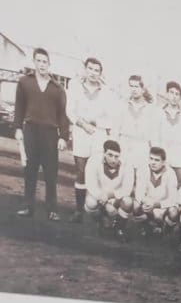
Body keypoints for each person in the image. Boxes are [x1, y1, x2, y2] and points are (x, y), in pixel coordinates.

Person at [14, 47, 70, 222]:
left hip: (50, 134)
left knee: (51, 173)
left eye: (45, 61)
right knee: (30, 170)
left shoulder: (57, 88)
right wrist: (18, 128)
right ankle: (27, 206)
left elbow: (63, 115)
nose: (42, 64)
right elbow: (19, 107)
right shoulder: (24, 82)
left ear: (49, 64)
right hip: (30, 131)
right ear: (34, 62)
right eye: (38, 61)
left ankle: (52, 210)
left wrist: (63, 137)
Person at [67, 56, 117, 216]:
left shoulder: (107, 92)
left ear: (101, 73)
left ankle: (100, 211)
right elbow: (70, 111)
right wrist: (83, 124)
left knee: (99, 171)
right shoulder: (75, 86)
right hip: (81, 133)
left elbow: (111, 118)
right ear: (85, 69)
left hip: (98, 135)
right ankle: (79, 211)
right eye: (90, 69)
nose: (93, 73)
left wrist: (95, 122)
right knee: (81, 171)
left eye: (97, 70)